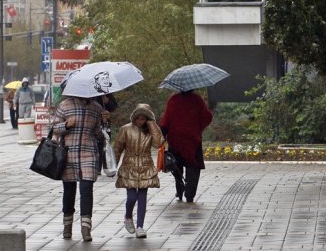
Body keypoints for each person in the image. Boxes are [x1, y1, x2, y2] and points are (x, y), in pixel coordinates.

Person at [52, 94, 104, 242]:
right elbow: (54, 128)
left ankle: (86, 229)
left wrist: (104, 122)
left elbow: (98, 133)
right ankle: (67, 227)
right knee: (69, 192)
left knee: (86, 189)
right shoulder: (65, 105)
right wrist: (66, 125)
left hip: (89, 153)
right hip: (68, 154)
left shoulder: (96, 108)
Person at [113, 104, 163, 239]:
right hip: (129, 166)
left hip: (145, 166)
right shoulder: (126, 129)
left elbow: (159, 143)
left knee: (142, 197)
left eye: (144, 119)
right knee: (131, 197)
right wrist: (113, 166)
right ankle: (128, 216)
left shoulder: (150, 130)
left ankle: (140, 226)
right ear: (134, 118)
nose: (141, 121)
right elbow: (117, 148)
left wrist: (152, 124)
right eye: (138, 118)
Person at [159, 89, 213, 203]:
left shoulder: (173, 100)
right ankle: (190, 194)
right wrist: (198, 128)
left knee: (176, 166)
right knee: (193, 167)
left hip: (175, 139)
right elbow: (207, 117)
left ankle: (179, 190)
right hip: (192, 139)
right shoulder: (197, 100)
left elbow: (165, 120)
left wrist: (163, 134)